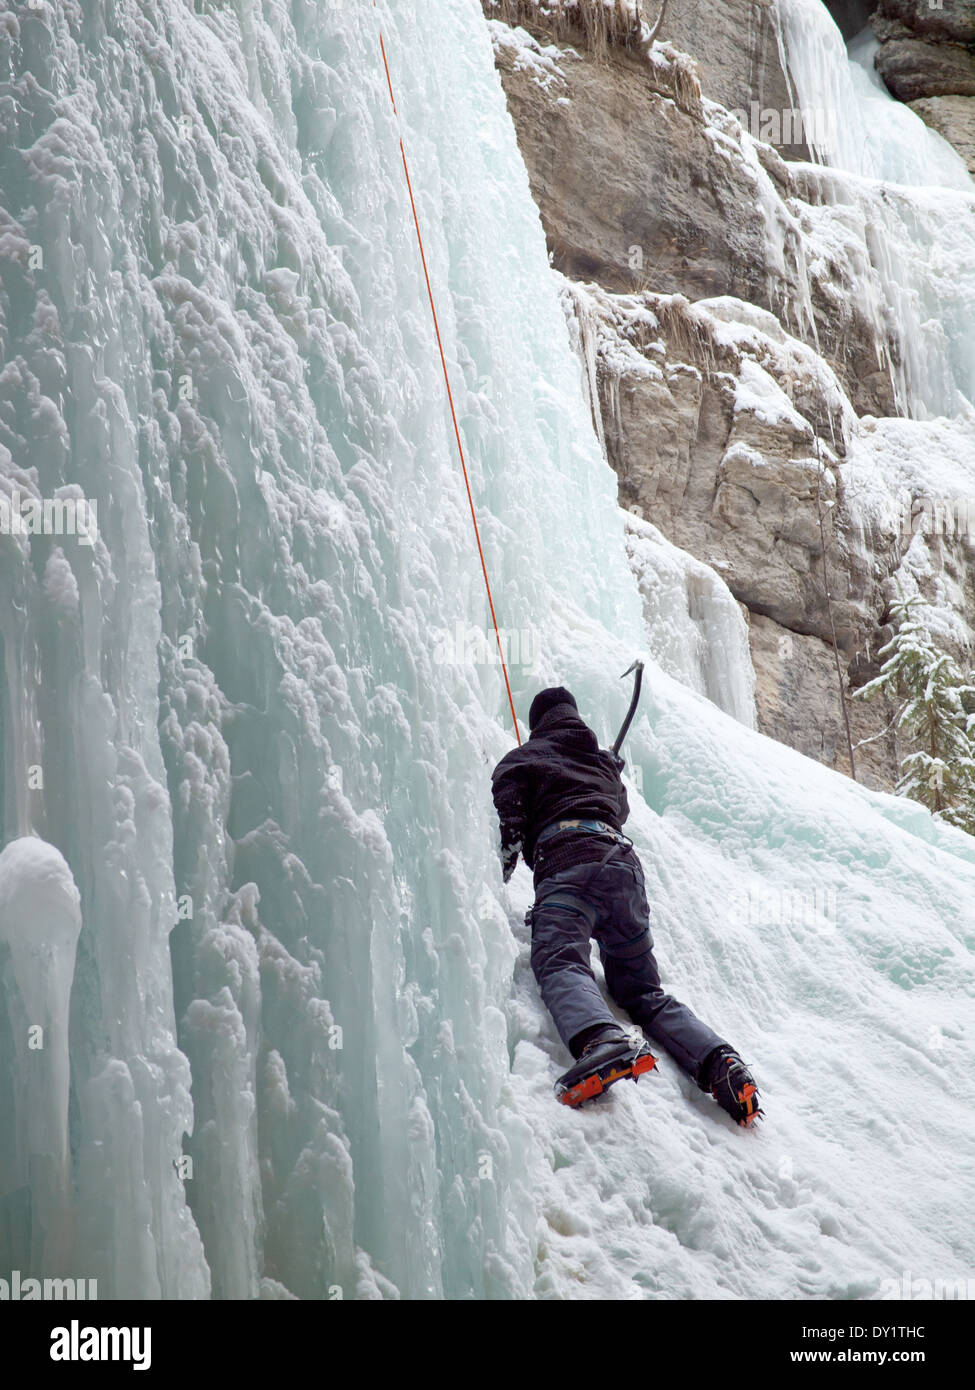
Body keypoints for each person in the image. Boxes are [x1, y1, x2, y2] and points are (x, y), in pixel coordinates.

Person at [491, 685, 760, 1124]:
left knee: (561, 960)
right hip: (622, 871)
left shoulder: (522, 759)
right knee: (641, 992)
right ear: (575, 719)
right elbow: (619, 806)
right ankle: (720, 1062)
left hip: (567, 864)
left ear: (537, 725)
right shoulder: (601, 762)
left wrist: (496, 875)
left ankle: (602, 1040)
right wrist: (607, 770)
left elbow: (509, 836)